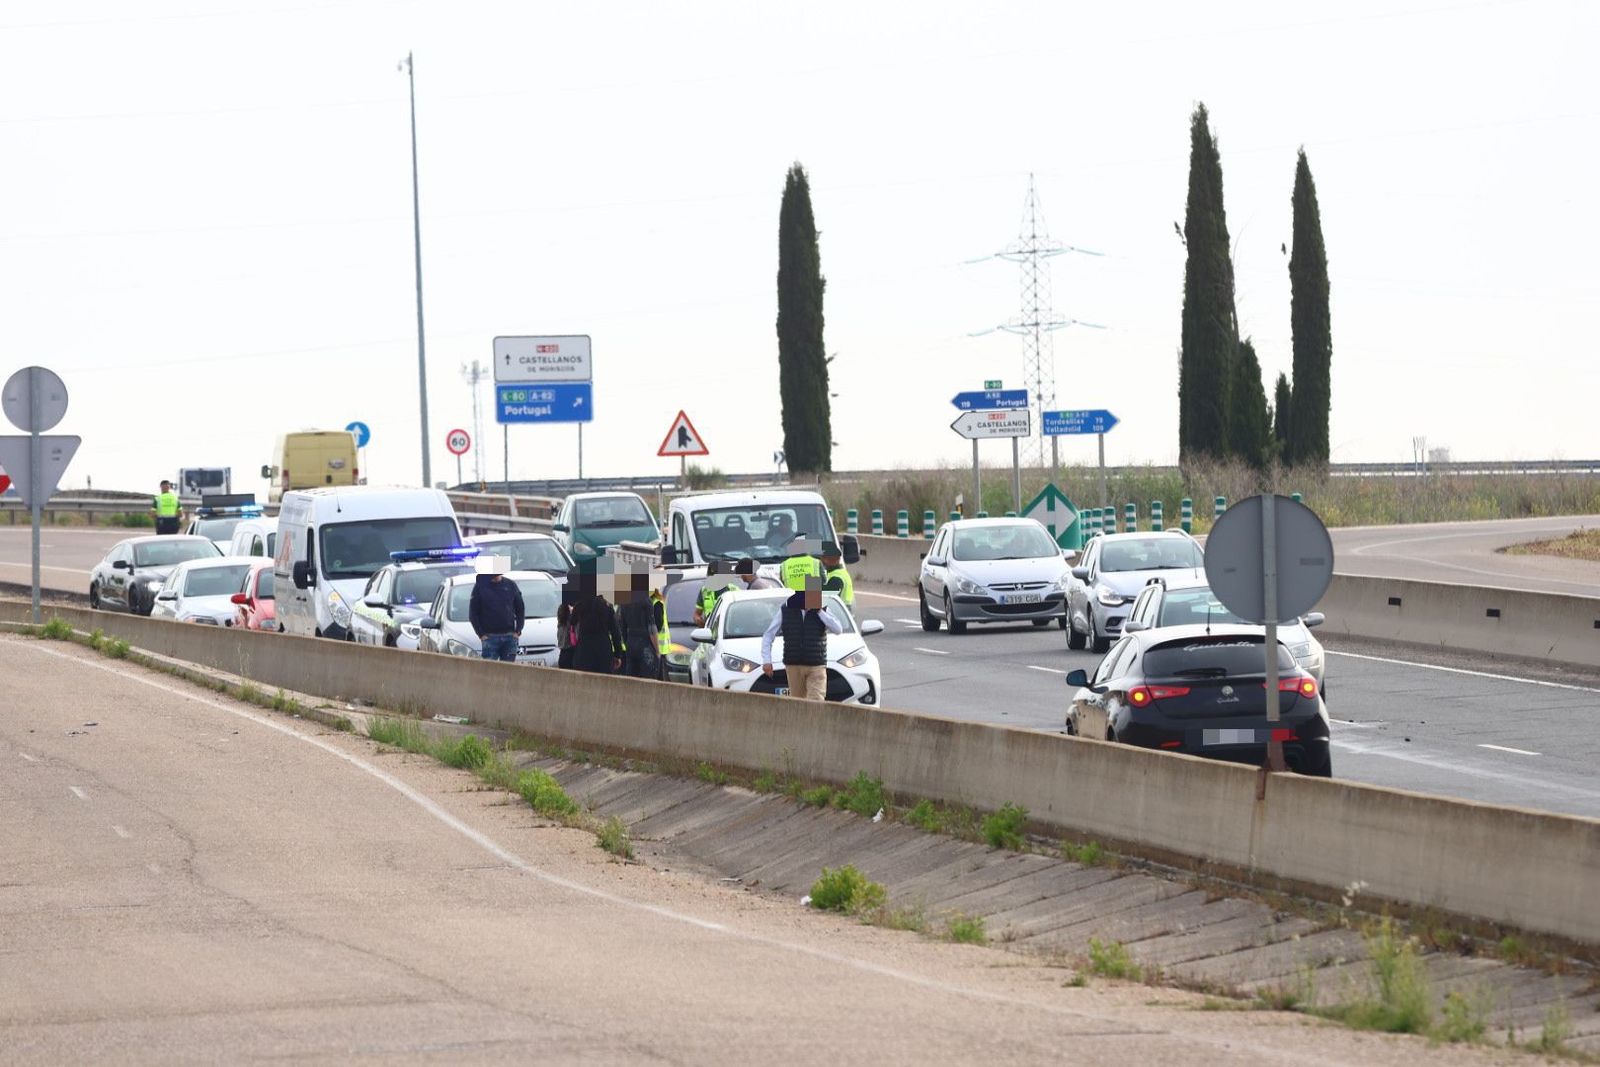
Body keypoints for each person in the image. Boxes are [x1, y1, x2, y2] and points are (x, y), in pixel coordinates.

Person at [760, 577, 843, 701]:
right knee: (797, 702)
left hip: (816, 665)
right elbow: (769, 635)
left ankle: (813, 721)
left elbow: (838, 629)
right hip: (794, 665)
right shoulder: (786, 610)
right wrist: (767, 660)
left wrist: (820, 611)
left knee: (816, 701)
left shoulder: (823, 610)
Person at [468, 557, 524, 662]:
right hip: (489, 637)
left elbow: (520, 609)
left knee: (509, 671)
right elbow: (473, 613)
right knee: (489, 672)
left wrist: (518, 631)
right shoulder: (480, 587)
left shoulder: (511, 585)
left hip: (509, 637)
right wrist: (481, 634)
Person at [572, 575, 624, 675]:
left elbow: (572, 623)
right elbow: (615, 632)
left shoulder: (580, 605)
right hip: (603, 652)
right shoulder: (606, 607)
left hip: (584, 652)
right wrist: (618, 654)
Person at [617, 571, 661, 680]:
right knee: (648, 679)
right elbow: (652, 628)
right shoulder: (646, 601)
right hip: (645, 644)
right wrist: (657, 650)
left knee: (631, 680)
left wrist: (627, 643)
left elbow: (622, 626)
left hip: (631, 643)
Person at [819, 541, 854, 608]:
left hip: (838, 614)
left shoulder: (836, 578)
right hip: (843, 612)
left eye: (822, 557)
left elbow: (826, 600)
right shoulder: (841, 573)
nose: (821, 560)